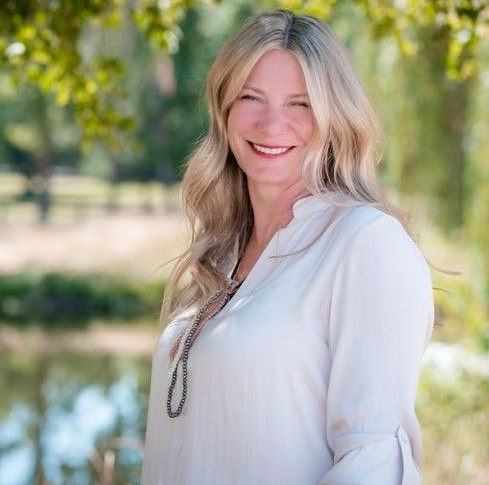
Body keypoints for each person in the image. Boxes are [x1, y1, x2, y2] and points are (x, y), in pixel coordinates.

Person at [142, 9, 434, 485]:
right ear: (225, 110)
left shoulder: (366, 245)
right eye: (251, 97)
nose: (272, 123)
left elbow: (371, 463)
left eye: (300, 104)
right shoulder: (221, 252)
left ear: (334, 117)